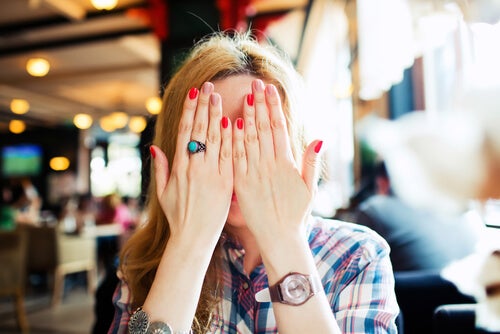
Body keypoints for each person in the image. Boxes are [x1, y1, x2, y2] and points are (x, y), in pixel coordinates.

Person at [108, 31, 399, 333]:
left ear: (295, 146)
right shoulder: (143, 263)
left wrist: (282, 237)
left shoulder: (357, 256)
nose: (236, 163)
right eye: (208, 142)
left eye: (258, 139)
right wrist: (188, 245)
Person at [354, 161, 481, 271]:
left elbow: (357, 269)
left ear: (382, 182)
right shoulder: (461, 207)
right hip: (475, 295)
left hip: (410, 297)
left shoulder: (375, 209)